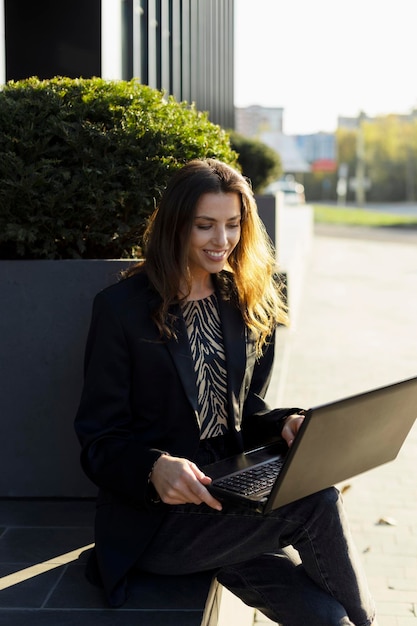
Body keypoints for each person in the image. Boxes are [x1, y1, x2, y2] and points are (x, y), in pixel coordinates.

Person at [74, 159, 377, 625]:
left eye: (233, 225)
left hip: (233, 503)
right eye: (205, 226)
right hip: (158, 523)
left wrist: (287, 423)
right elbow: (98, 441)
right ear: (177, 225)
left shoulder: (244, 298)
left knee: (328, 618)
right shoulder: (121, 310)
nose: (222, 241)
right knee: (317, 500)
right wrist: (154, 467)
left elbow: (245, 410)